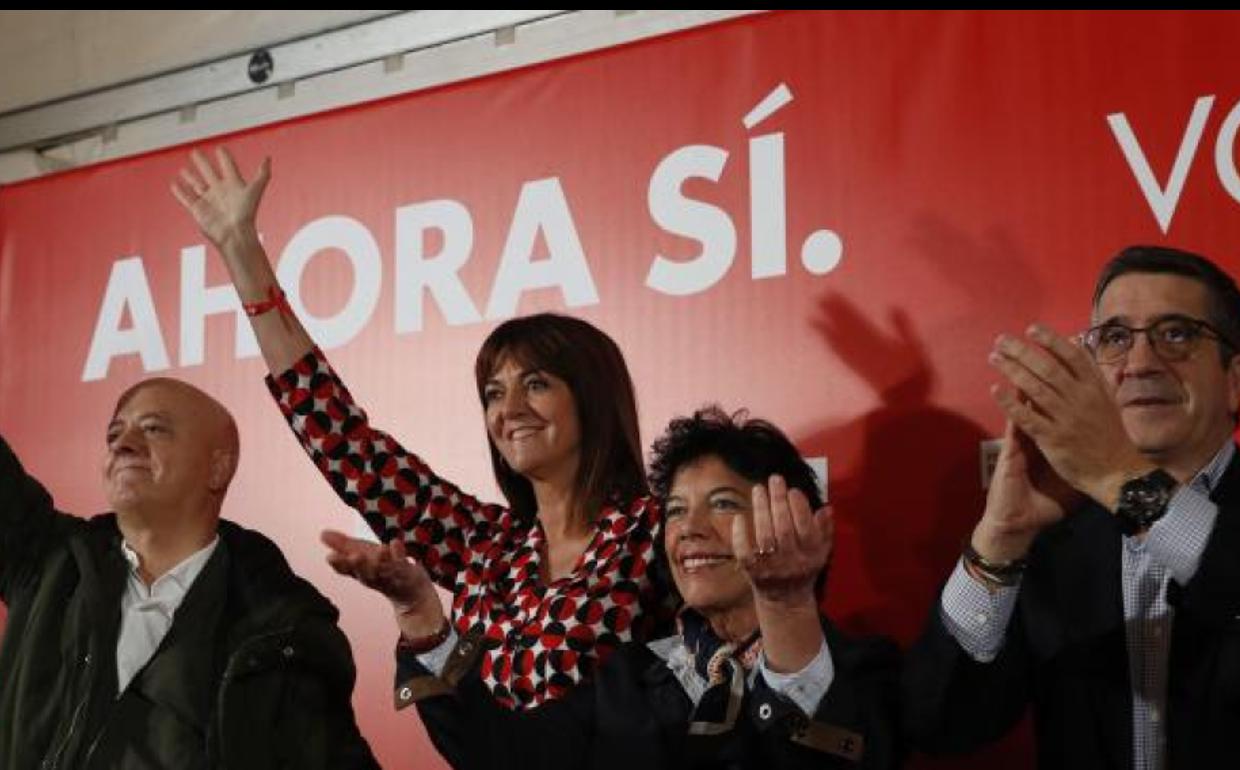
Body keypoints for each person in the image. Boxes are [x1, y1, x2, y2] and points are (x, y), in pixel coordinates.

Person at [172, 147, 667, 710]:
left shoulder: (659, 534)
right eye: (493, 393)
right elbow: (343, 441)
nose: (510, 410)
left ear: (594, 398)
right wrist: (241, 252)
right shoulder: (490, 550)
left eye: (535, 384)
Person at [328, 406, 902, 769]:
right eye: (675, 510)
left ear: (793, 519)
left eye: (722, 504)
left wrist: (783, 604)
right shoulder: (628, 681)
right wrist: (422, 615)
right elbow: (500, 754)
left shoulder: (868, 671)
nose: (689, 530)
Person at [906, 245, 1240, 768]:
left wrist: (1119, 479)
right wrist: (999, 541)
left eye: (1175, 334)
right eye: (1114, 338)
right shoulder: (1054, 540)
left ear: (1235, 380)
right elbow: (939, 723)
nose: (1139, 363)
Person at [0, 377, 378, 769]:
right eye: (115, 433)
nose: (122, 444)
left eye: (153, 429)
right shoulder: (49, 562)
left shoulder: (283, 636)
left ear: (217, 468)